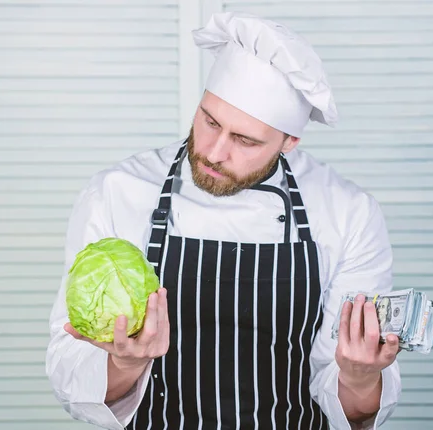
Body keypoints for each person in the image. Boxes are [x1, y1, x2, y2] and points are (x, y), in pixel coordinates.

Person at [46, 11, 401, 430]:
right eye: (210, 121)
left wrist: (360, 379)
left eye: (245, 140)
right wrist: (124, 364)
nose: (214, 152)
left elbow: (350, 406)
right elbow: (70, 375)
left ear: (290, 142)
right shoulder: (118, 192)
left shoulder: (347, 213)